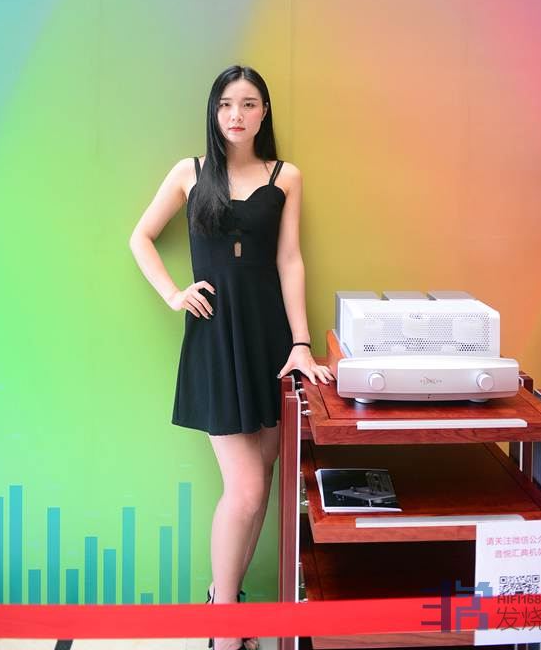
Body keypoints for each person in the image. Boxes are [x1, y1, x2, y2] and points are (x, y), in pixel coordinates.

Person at [129, 65, 333, 650]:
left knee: (263, 481)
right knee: (244, 488)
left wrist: (301, 342)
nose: (236, 115)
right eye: (225, 104)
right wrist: (174, 293)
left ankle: (228, 604)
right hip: (217, 339)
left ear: (264, 111)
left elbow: (289, 260)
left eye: (248, 103)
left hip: (270, 339)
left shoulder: (285, 176)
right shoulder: (189, 173)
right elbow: (140, 237)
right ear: (213, 112)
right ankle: (222, 626)